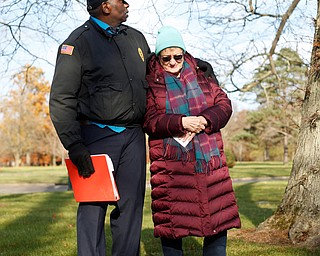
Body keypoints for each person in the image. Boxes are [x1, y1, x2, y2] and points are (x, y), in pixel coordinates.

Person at [49, 1, 215, 255]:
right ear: (105, 5)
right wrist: (74, 144)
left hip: (134, 137)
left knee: (131, 208)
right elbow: (62, 98)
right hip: (95, 136)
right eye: (121, 0)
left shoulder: (135, 38)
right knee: (93, 208)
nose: (127, 4)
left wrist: (195, 64)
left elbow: (157, 66)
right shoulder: (77, 44)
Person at [143, 26, 241, 256]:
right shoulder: (151, 84)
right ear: (158, 58)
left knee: (217, 218)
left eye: (177, 55)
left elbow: (224, 104)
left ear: (184, 54)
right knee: (172, 224)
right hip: (170, 166)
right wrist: (182, 122)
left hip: (209, 163)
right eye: (166, 57)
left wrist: (205, 120)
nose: (172, 61)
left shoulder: (203, 76)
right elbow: (149, 120)